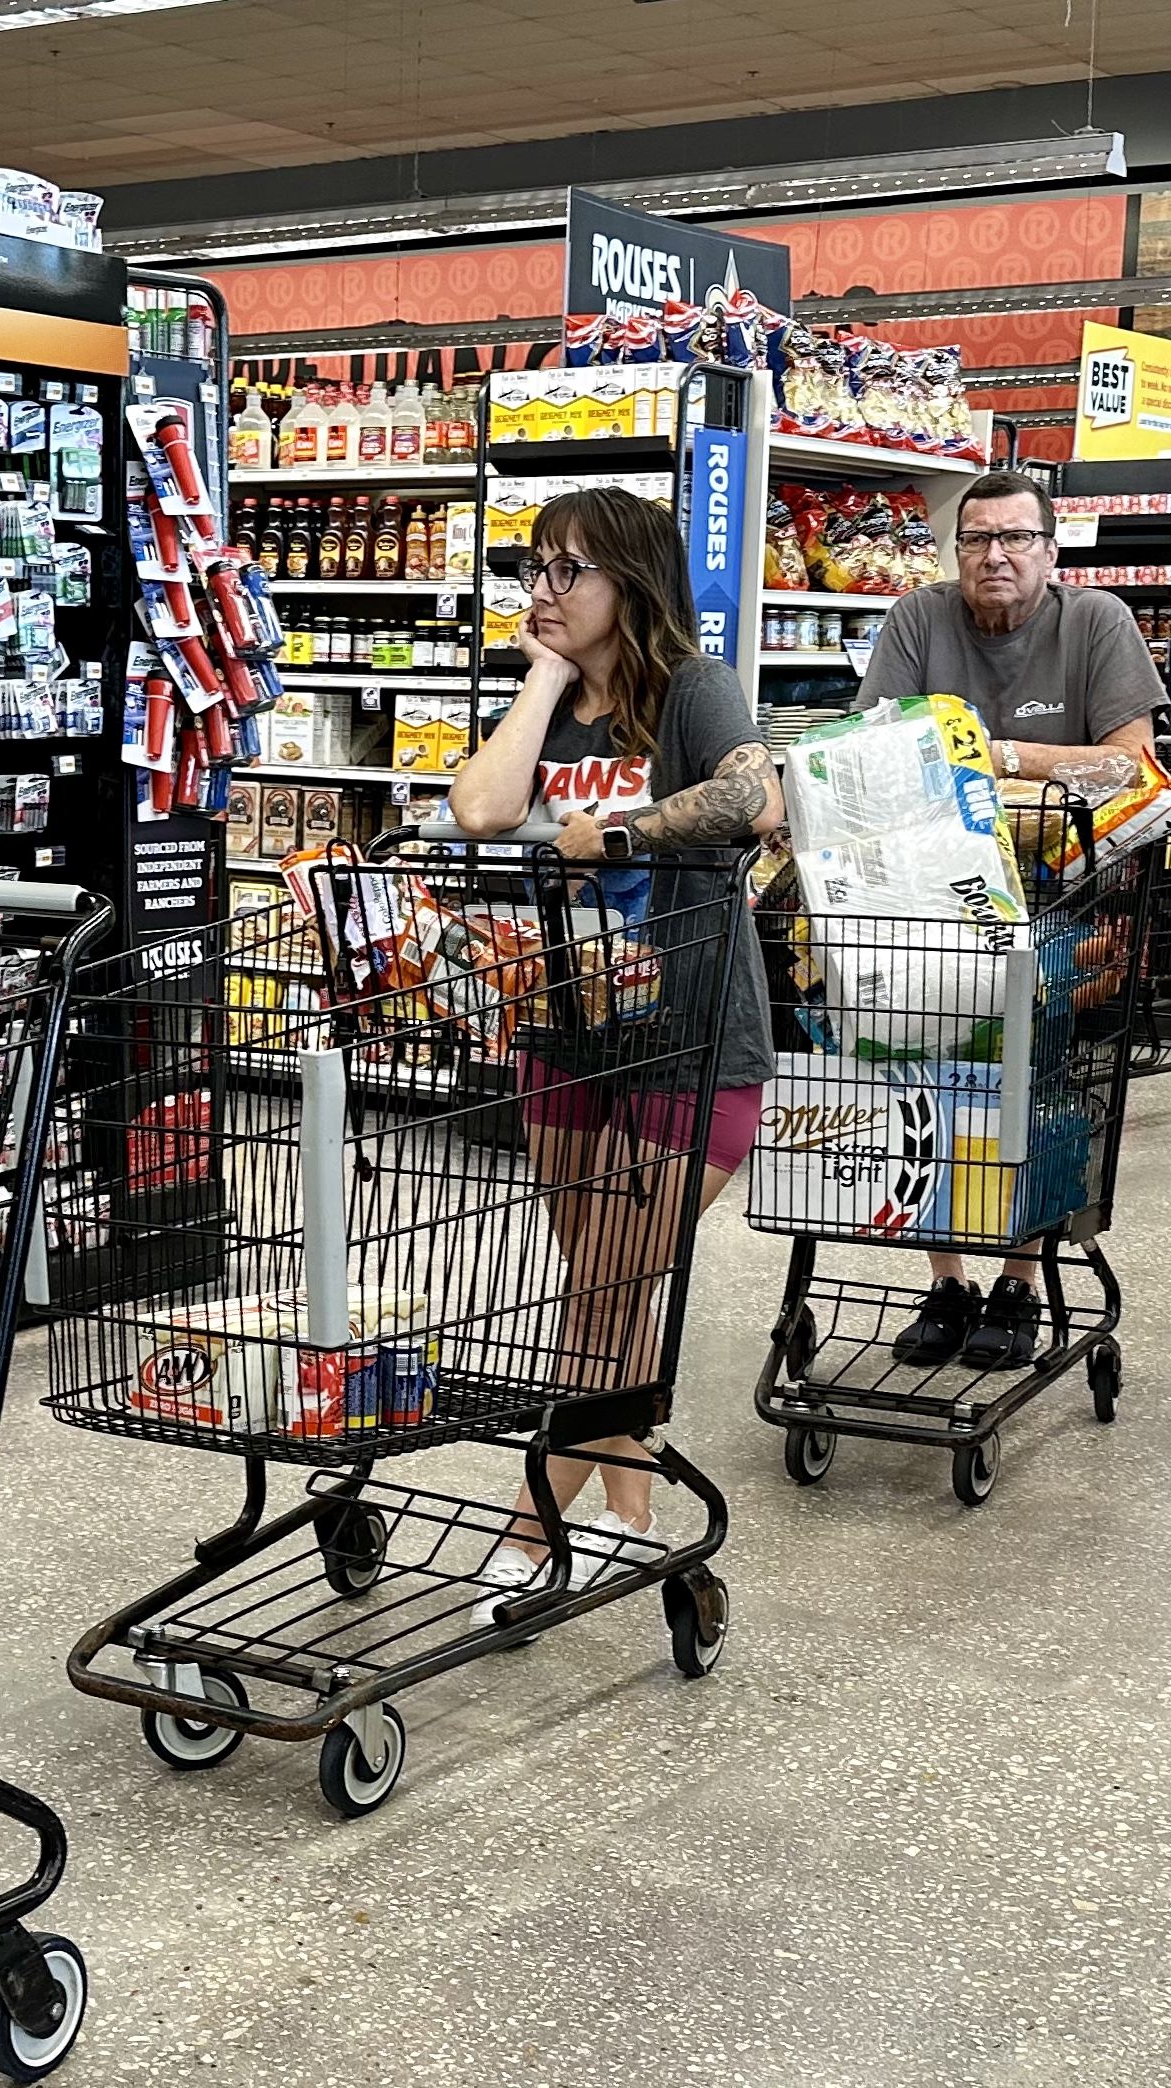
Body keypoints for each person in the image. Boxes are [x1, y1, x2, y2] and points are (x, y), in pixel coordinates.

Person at [448, 487, 774, 1595]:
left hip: (689, 1040)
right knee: (607, 1290)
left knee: (600, 1289)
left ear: (629, 584)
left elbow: (754, 800)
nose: (542, 592)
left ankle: (533, 1526)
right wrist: (543, 675)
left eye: (566, 573)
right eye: (534, 571)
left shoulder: (694, 689)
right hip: (568, 1036)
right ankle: (633, 1515)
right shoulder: (546, 703)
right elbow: (483, 813)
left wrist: (627, 828)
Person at [853, 464, 1167, 1370]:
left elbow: (1127, 766)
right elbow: (881, 749)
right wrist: (1030, 775)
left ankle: (1020, 1278)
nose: (995, 557)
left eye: (1015, 539)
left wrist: (982, 753)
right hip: (929, 895)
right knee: (909, 1049)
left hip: (1060, 898)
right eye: (977, 539)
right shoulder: (919, 618)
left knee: (1031, 1060)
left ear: (1049, 550)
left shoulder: (1095, 622)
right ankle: (946, 1278)